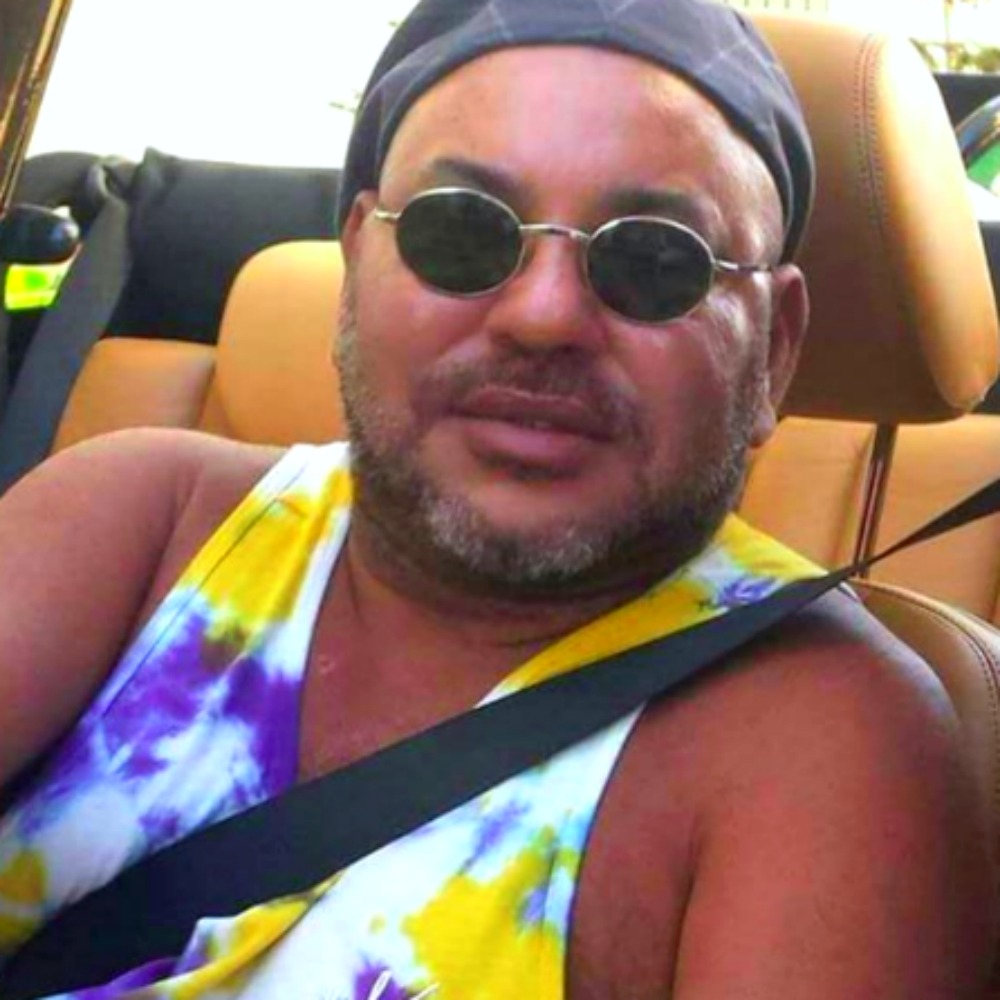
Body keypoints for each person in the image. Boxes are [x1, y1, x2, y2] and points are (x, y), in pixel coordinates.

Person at [0, 0, 994, 996]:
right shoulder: (142, 514)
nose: (544, 315)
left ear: (772, 346)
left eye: (654, 260)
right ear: (356, 265)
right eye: (461, 230)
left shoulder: (816, 743)